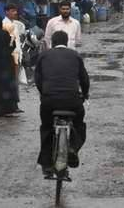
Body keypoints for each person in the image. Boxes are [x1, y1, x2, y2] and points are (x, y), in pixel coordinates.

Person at [35, 31, 90, 177]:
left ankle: (46, 165)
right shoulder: (75, 56)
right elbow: (84, 79)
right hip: (72, 100)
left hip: (49, 101)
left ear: (52, 42)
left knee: (46, 128)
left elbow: (38, 80)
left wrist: (44, 93)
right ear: (66, 42)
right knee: (79, 124)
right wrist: (84, 94)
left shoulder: (44, 56)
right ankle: (73, 147)